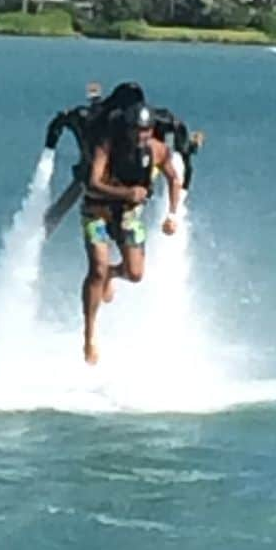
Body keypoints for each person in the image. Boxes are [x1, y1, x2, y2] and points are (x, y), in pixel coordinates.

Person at [80, 100, 183, 365]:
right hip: (98, 209)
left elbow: (174, 178)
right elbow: (93, 183)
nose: (141, 136)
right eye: (136, 130)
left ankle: (113, 275)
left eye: (146, 130)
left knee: (135, 274)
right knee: (97, 267)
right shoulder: (108, 145)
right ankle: (90, 334)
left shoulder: (158, 151)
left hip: (128, 214)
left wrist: (172, 214)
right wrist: (126, 192)